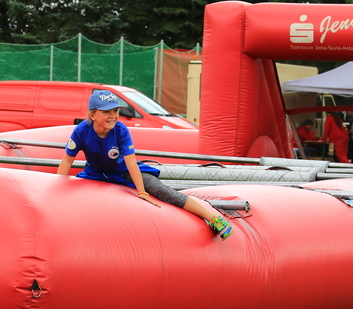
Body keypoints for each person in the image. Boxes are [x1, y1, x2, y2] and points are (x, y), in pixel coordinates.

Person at [56, 90, 234, 240]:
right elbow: (67, 160)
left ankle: (214, 219)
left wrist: (141, 191)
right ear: (92, 115)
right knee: (73, 194)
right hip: (95, 173)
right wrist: (55, 188)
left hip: (123, 171)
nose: (113, 116)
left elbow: (131, 163)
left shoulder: (120, 130)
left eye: (115, 111)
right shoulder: (81, 131)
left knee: (163, 191)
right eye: (107, 112)